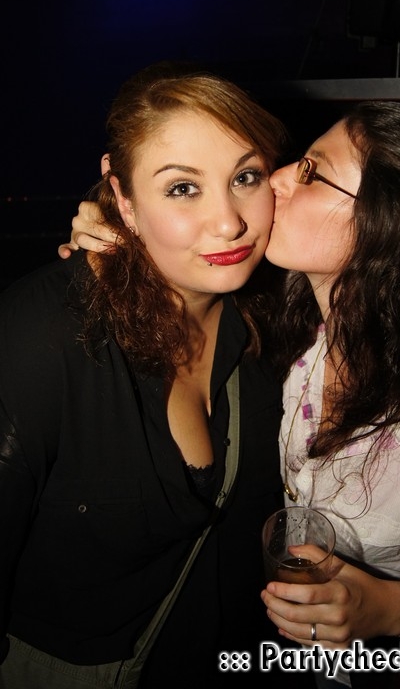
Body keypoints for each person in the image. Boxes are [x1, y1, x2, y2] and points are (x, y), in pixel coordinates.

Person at [58, 101, 400, 685]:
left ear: (386, 225)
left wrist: (390, 608)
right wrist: (120, 227)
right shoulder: (281, 328)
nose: (277, 177)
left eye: (311, 171)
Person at [0, 63, 313, 688]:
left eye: (245, 177)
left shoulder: (279, 323)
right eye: (182, 188)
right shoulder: (44, 336)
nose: (229, 222)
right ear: (121, 197)